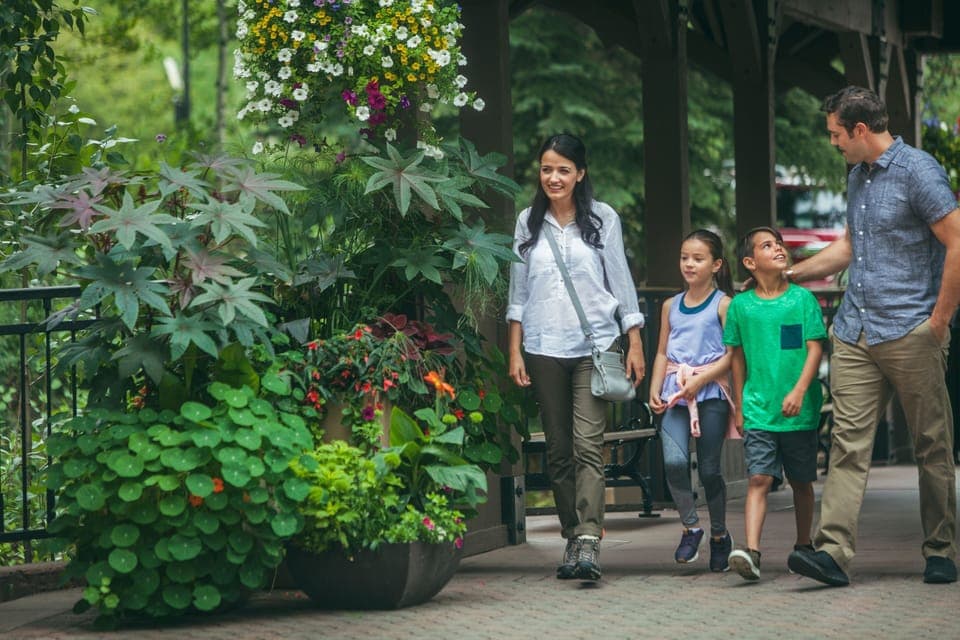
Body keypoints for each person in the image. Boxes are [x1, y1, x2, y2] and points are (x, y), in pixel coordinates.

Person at [787, 86, 959, 586]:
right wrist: (794, 274)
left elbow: (956, 242)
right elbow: (849, 246)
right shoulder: (857, 176)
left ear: (861, 130)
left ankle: (941, 550)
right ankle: (833, 553)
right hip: (856, 329)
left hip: (911, 329)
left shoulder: (919, 172)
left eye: (837, 134)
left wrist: (939, 323)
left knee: (931, 445)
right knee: (847, 443)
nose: (834, 143)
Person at [506, 133, 645, 581]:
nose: (554, 177)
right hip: (543, 346)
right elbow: (518, 290)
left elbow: (621, 282)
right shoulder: (527, 221)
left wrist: (635, 340)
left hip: (595, 344)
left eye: (563, 169)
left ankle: (588, 539)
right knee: (559, 451)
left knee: (588, 446)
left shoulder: (603, 219)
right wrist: (515, 349)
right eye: (547, 168)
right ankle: (573, 535)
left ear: (580, 173)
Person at [723, 226, 826, 581]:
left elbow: (815, 347)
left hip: (800, 410)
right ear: (750, 262)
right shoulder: (741, 306)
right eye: (768, 246)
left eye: (779, 243)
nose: (779, 248)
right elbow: (736, 358)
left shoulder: (802, 300)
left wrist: (798, 391)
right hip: (758, 409)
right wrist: (739, 405)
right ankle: (751, 552)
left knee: (801, 481)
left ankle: (803, 545)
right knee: (759, 478)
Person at [648, 229, 737, 572]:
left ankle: (719, 535)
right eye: (685, 257)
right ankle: (690, 527)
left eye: (698, 258)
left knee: (711, 469)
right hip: (674, 394)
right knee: (673, 462)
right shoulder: (671, 305)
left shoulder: (724, 305)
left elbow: (732, 357)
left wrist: (700, 380)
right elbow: (660, 353)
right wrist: (655, 389)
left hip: (710, 393)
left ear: (716, 265)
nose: (689, 264)